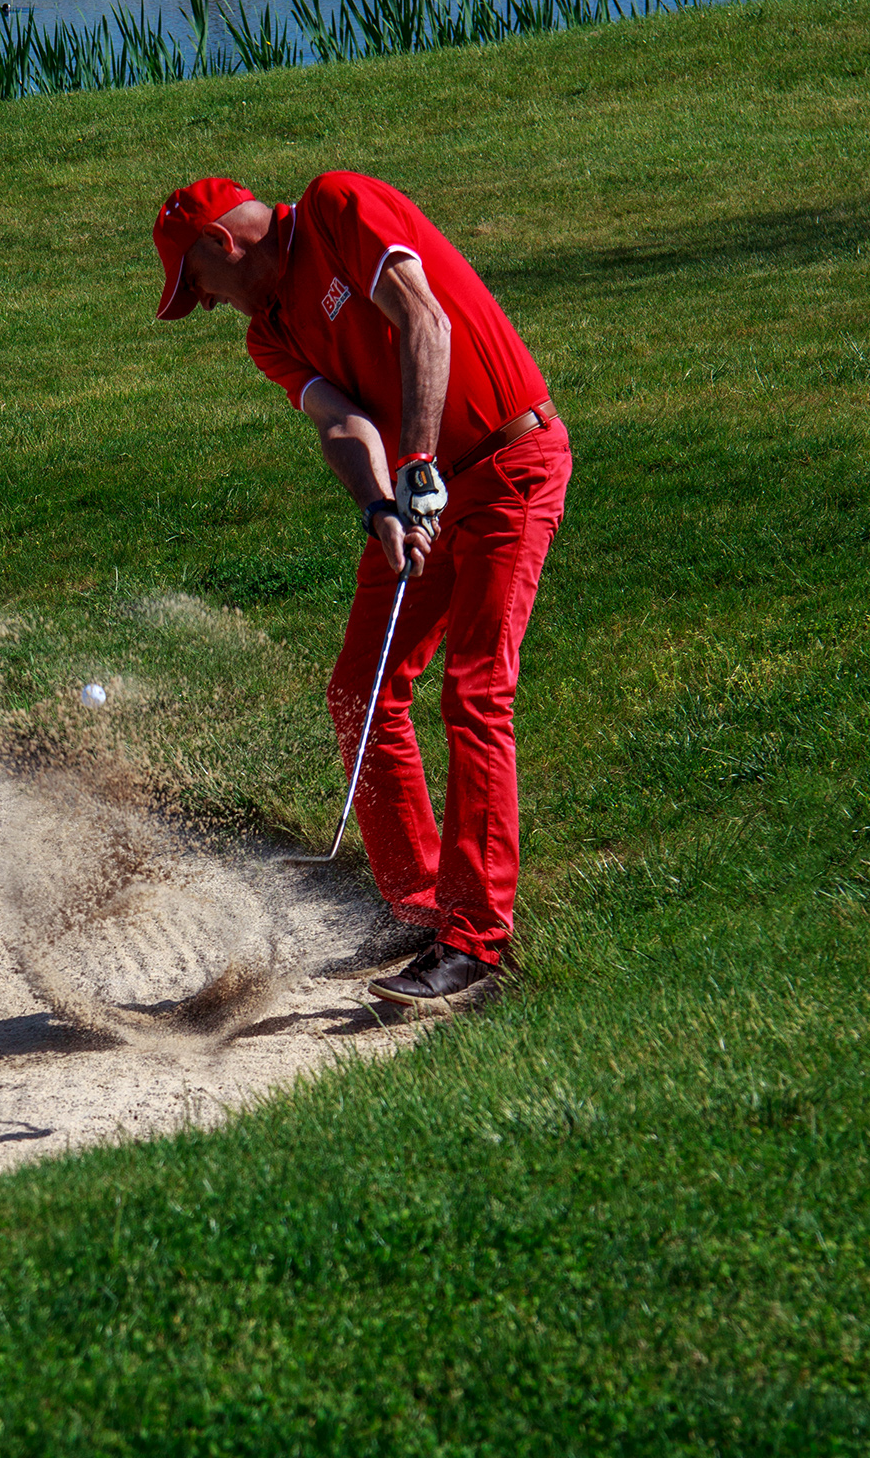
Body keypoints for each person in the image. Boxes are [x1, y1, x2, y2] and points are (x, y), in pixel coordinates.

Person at [151, 173, 571, 1014]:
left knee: (474, 692)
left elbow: (424, 319)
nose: (205, 305)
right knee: (360, 691)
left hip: (507, 468)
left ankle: (475, 940)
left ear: (219, 243)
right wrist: (382, 505)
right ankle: (418, 905)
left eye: (197, 284)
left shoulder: (338, 208)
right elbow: (343, 423)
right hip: (418, 499)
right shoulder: (269, 335)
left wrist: (416, 462)